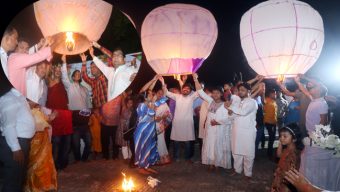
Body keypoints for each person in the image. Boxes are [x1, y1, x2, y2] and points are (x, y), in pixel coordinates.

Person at [296, 75, 332, 190]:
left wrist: (304, 77)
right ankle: (307, 184)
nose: (310, 89)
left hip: (316, 139)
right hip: (311, 137)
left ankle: (313, 186)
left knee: (313, 165)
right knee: (306, 162)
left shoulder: (322, 103)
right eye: (310, 88)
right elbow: (304, 90)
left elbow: (323, 124)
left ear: (320, 90)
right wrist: (298, 82)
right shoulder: (314, 100)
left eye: (313, 88)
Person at [0, 88, 35, 192]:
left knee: (19, 178)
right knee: (13, 180)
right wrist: (15, 148)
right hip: (15, 143)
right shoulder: (9, 98)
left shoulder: (20, 97)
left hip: (21, 141)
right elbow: (8, 126)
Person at [195, 75, 232, 171]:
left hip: (220, 130)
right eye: (214, 93)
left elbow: (231, 118)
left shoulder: (226, 104)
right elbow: (200, 91)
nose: (215, 95)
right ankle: (211, 163)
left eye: (217, 93)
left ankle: (218, 164)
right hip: (210, 129)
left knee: (219, 146)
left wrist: (218, 122)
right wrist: (195, 79)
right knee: (210, 145)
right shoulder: (210, 101)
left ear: (221, 94)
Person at [159, 75, 199, 163]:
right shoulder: (177, 96)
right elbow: (166, 92)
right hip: (177, 123)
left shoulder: (192, 97)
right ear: (182, 89)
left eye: (188, 89)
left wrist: (195, 79)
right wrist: (162, 82)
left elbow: (199, 91)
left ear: (190, 91)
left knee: (188, 141)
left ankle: (188, 158)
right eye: (184, 88)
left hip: (188, 123)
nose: (186, 89)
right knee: (176, 140)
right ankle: (176, 157)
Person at [61, 54, 92, 162]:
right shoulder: (69, 86)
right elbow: (64, 76)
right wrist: (64, 62)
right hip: (74, 121)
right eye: (76, 74)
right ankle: (78, 161)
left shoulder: (85, 89)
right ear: (73, 77)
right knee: (76, 144)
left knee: (89, 142)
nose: (78, 75)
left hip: (85, 121)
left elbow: (88, 105)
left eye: (79, 74)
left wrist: (90, 116)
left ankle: (84, 160)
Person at [225, 83, 258, 179]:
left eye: (243, 90)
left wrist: (230, 107)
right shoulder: (237, 102)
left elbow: (243, 112)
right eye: (239, 90)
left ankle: (248, 173)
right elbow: (232, 116)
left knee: (248, 153)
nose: (240, 91)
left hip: (248, 132)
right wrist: (230, 113)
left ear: (249, 91)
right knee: (236, 152)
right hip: (236, 130)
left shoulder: (252, 102)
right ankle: (237, 170)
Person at [25, 101, 58, 192]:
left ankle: (40, 185)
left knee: (40, 164)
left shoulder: (33, 110)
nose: (36, 101)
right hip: (38, 143)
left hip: (40, 142)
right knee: (38, 165)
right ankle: (38, 186)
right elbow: (42, 123)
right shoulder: (34, 112)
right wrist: (53, 115)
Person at [46, 64, 73, 171]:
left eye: (59, 70)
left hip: (66, 116)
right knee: (56, 142)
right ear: (52, 70)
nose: (58, 71)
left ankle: (63, 164)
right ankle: (54, 166)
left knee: (66, 142)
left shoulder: (63, 83)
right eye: (56, 69)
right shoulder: (48, 81)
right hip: (55, 117)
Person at [134, 91, 165, 174]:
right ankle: (141, 168)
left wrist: (164, 90)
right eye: (151, 94)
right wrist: (154, 102)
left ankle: (146, 166)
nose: (153, 95)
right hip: (143, 131)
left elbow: (162, 100)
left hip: (149, 130)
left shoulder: (150, 104)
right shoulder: (142, 105)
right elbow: (150, 114)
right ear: (145, 97)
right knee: (143, 148)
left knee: (148, 148)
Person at [271, 124, 304, 192]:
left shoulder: (293, 154)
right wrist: (280, 143)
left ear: (294, 139)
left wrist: (278, 175)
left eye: (285, 136)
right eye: (280, 136)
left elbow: (289, 173)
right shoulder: (288, 148)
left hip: (285, 182)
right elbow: (279, 155)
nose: (281, 138)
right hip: (280, 178)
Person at [154, 88, 172, 165]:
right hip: (150, 125)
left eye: (162, 93)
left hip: (160, 125)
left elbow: (169, 115)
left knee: (160, 141)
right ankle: (154, 159)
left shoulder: (164, 104)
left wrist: (162, 118)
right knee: (153, 142)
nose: (160, 95)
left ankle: (163, 158)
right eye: (158, 93)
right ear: (155, 93)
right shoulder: (151, 103)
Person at [264, 89, 278, 158]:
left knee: (272, 138)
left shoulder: (274, 101)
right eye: (274, 94)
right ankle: (269, 154)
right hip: (268, 122)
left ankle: (269, 152)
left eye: (275, 94)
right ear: (270, 94)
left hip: (273, 122)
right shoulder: (266, 100)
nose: (275, 95)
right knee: (272, 137)